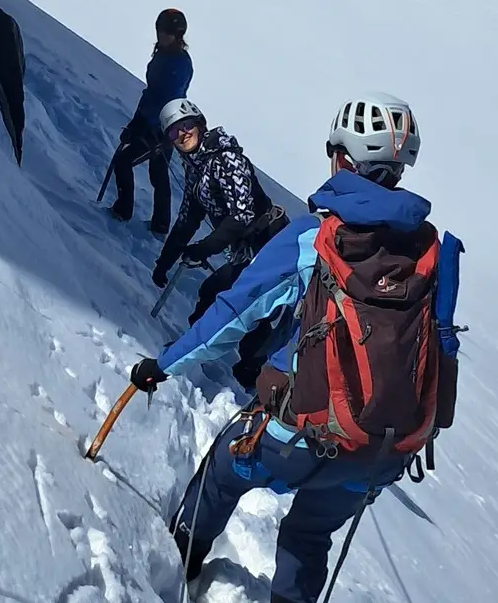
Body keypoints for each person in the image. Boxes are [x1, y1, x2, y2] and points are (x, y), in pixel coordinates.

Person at [128, 93, 467, 603]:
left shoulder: (316, 237)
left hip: (293, 433)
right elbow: (440, 351)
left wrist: (163, 364)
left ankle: (176, 565)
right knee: (308, 538)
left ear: (343, 159)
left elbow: (234, 313)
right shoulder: (434, 254)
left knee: (221, 475)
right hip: (380, 452)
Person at [150, 97, 289, 390]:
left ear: (199, 124)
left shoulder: (227, 158)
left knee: (248, 304)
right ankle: (198, 359)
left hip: (271, 243)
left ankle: (256, 377)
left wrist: (204, 248)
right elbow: (187, 220)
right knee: (216, 295)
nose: (182, 133)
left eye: (186, 125)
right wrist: (165, 261)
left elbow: (243, 215)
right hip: (247, 250)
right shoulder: (196, 169)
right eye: (174, 132)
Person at [109, 8, 194, 236]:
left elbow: (166, 97)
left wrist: (151, 128)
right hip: (160, 125)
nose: (161, 35)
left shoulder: (179, 63)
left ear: (178, 35)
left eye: (166, 32)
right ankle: (160, 224)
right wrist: (137, 121)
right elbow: (152, 93)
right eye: (160, 30)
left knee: (124, 161)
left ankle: (124, 210)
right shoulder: (164, 53)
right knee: (158, 173)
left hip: (162, 128)